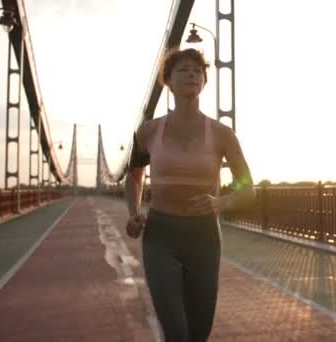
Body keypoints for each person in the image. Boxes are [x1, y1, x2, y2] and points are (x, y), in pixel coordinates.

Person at [124, 47, 255, 342]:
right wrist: (133, 214)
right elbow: (133, 177)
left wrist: (220, 202)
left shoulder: (223, 134)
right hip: (161, 235)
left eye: (198, 71)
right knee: (175, 330)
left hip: (204, 237)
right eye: (182, 70)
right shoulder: (148, 131)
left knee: (199, 331)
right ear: (168, 81)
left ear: (204, 83)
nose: (191, 75)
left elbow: (248, 187)